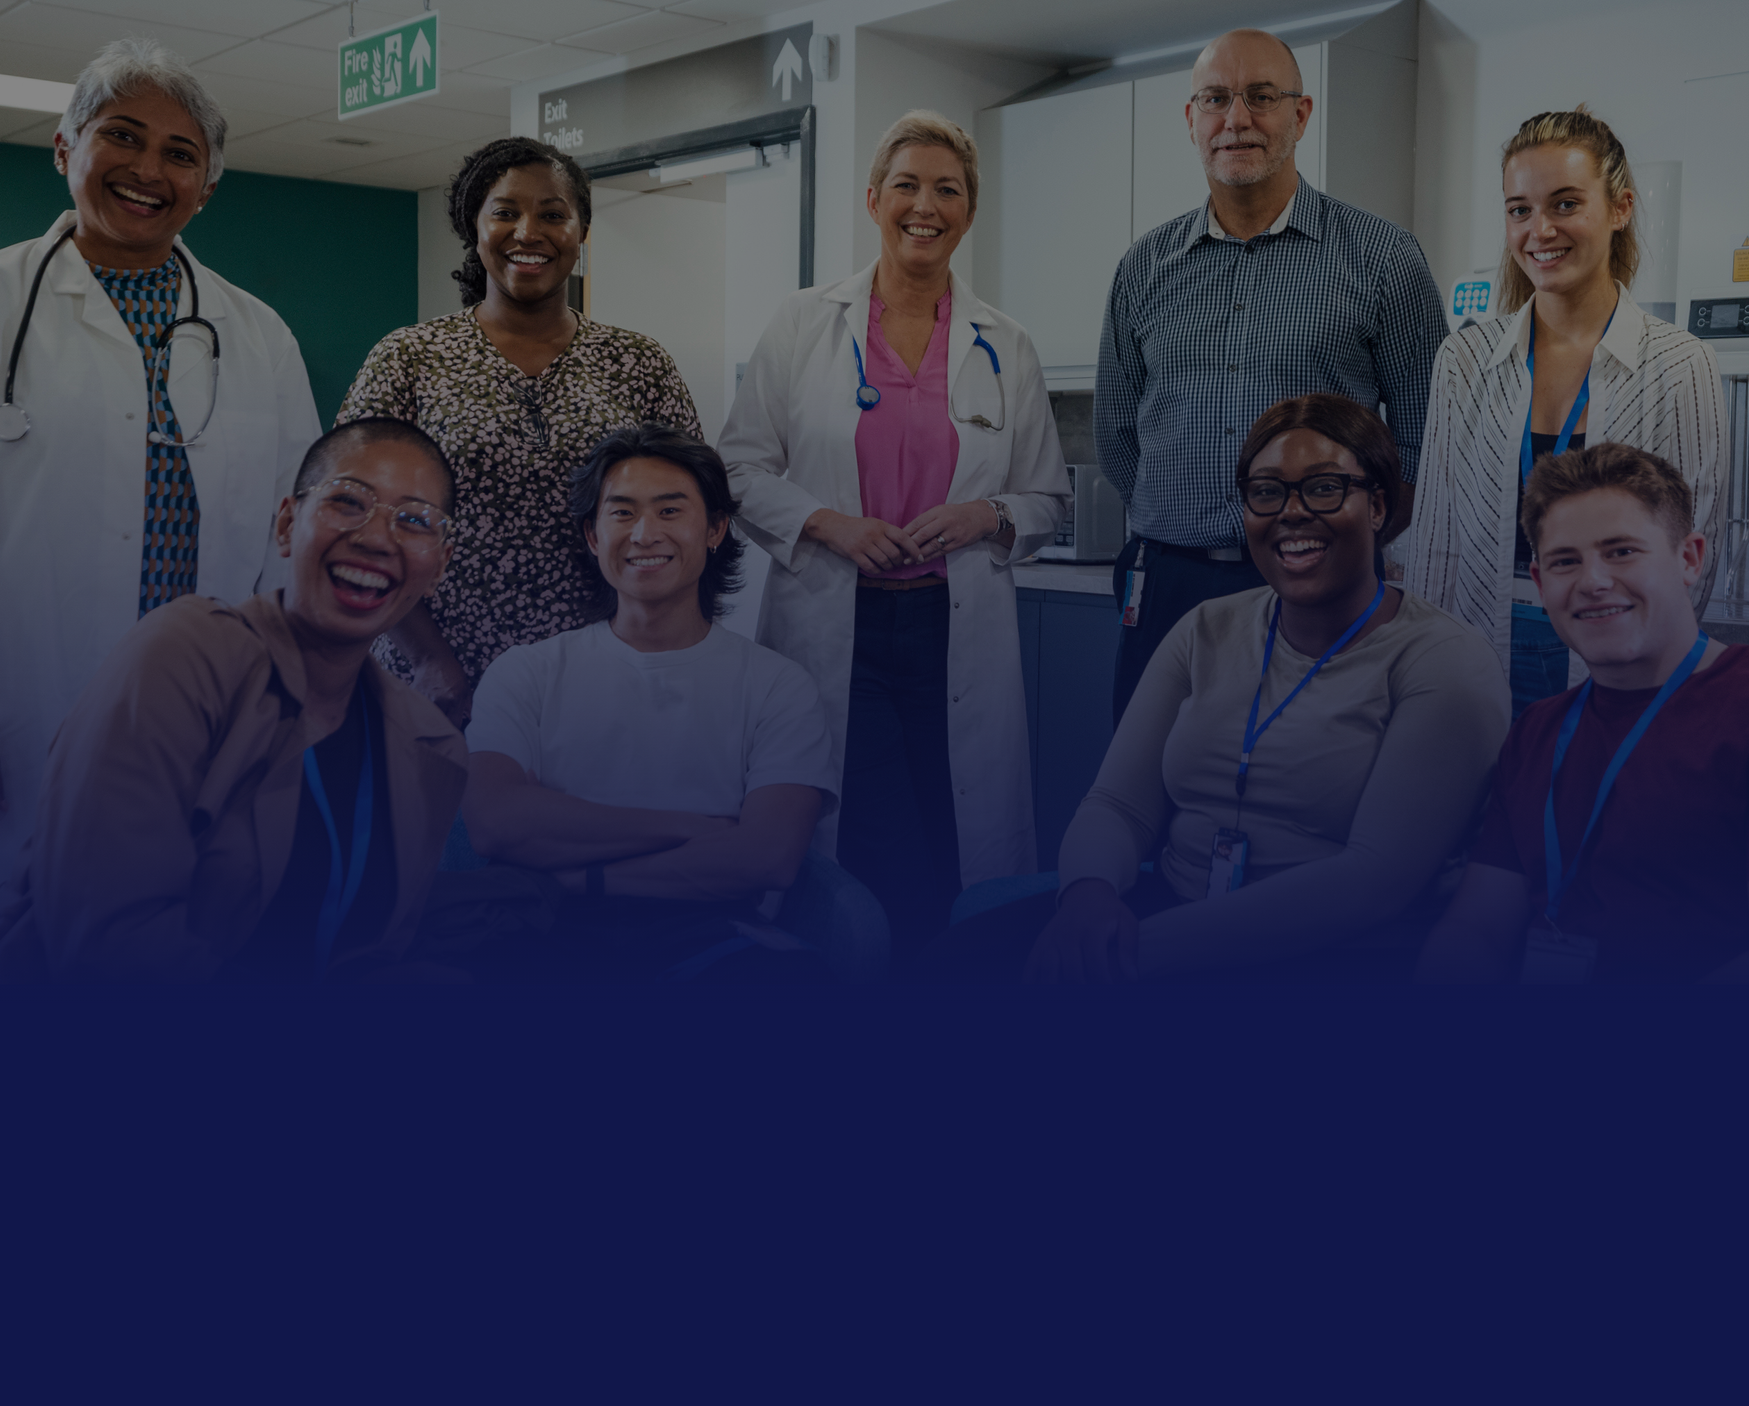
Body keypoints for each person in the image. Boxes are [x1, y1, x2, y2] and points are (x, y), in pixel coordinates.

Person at [0, 37, 322, 971]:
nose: (149, 169)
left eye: (180, 153)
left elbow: (296, 524)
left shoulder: (258, 333)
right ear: (66, 147)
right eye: (122, 135)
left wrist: (281, 705)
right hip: (12, 710)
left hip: (201, 723)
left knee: (156, 971)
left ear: (207, 185)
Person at [929, 395, 1506, 982]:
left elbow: (1373, 881)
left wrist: (1140, 954)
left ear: (1379, 505)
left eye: (1325, 488)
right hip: (1171, 909)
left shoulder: (1443, 663)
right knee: (950, 965)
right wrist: (1089, 899)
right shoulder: (1207, 628)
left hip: (1329, 952)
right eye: (1267, 491)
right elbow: (1117, 805)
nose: (1292, 511)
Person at [719, 111, 1068, 947]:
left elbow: (1048, 500)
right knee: (861, 832)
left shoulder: (1005, 344)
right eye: (907, 185)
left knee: (958, 828)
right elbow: (735, 469)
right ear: (874, 200)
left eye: (948, 190)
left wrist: (986, 513)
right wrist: (829, 523)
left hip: (954, 625)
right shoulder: (805, 323)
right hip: (838, 621)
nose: (926, 205)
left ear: (968, 213)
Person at [0, 419, 468, 981]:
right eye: (347, 501)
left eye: (415, 520)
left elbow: (377, 956)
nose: (376, 538)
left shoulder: (430, 746)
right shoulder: (185, 655)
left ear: (440, 565)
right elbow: (104, 944)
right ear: (286, 524)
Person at [1419, 445, 1749, 983]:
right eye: (1565, 561)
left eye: (1621, 551)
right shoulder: (1538, 732)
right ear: (1539, 579)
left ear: (1689, 558)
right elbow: (1475, 929)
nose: (1593, 581)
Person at [1095, 28, 1447, 723]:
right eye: (1216, 100)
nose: (1237, 120)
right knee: (1150, 785)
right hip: (1170, 583)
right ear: (1192, 119)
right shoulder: (1144, 267)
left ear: (1301, 114)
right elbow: (1117, 433)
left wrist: (1346, 540)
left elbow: (1424, 439)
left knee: (1315, 781)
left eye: (1261, 97)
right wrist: (1184, 518)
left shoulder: (1382, 260)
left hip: (1320, 579)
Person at [459, 426, 849, 981]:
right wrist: (699, 828)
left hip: (714, 937)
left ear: (715, 529)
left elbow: (768, 856)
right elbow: (496, 823)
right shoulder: (526, 671)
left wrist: (581, 874)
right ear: (592, 536)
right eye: (621, 513)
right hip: (543, 932)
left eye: (670, 512)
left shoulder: (777, 685)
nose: (644, 534)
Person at [338, 136, 702, 727]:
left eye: (553, 214)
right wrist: (432, 663)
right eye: (505, 211)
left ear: (582, 233)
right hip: (434, 681)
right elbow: (352, 521)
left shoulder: (638, 362)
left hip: (602, 677)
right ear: (474, 227)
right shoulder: (408, 358)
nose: (528, 231)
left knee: (592, 820)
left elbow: (689, 520)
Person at [1407, 106, 1729, 721]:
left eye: (1564, 204)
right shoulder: (1466, 358)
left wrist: (1648, 676)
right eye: (1520, 210)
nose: (1540, 230)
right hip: (1477, 652)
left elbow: (1695, 547)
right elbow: (1436, 544)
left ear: (1620, 209)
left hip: (1623, 658)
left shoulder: (1678, 363)